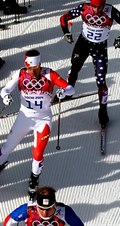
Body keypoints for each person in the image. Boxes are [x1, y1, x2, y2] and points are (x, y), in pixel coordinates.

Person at [0, 50, 75, 198]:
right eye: (29, 69)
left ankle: (34, 180)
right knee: (7, 147)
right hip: (24, 117)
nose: (32, 72)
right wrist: (5, 97)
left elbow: (70, 88)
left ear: (39, 65)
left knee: (38, 153)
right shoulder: (21, 74)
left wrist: (63, 93)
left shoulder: (49, 74)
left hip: (43, 120)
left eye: (34, 69)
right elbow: (5, 89)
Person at [59, 0, 120, 128]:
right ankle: (68, 91)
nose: (95, 9)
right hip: (83, 44)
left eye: (98, 7)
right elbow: (64, 18)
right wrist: (66, 33)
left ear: (103, 4)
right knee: (75, 67)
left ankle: (103, 111)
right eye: (93, 6)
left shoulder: (110, 10)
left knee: (101, 79)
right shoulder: (84, 7)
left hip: (100, 48)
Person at [4, 186, 84, 225]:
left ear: (55, 205)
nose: (45, 213)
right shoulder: (28, 209)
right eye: (41, 208)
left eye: (48, 209)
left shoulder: (65, 211)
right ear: (36, 204)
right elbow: (9, 221)